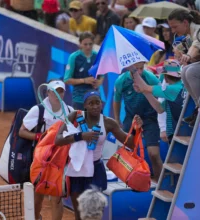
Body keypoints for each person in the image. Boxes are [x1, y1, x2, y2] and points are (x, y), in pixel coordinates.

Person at [55, 91, 143, 220]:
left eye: (97, 102)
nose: (95, 106)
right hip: (76, 170)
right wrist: (81, 136)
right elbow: (58, 140)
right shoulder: (75, 116)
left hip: (95, 171)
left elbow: (130, 143)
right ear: (85, 105)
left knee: (93, 213)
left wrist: (136, 129)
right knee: (79, 213)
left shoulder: (108, 122)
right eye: (91, 103)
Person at [19, 79, 74, 220]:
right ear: (48, 92)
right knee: (38, 197)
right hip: (40, 160)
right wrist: (40, 137)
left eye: (60, 91)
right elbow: (22, 131)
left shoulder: (69, 111)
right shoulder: (38, 110)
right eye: (54, 91)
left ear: (64, 93)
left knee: (56, 199)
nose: (57, 94)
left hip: (60, 161)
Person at [113, 61, 163, 182]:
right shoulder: (121, 81)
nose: (139, 72)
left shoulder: (150, 78)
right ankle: (125, 178)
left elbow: (162, 96)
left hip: (150, 118)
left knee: (154, 154)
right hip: (131, 118)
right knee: (124, 151)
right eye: (137, 69)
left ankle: (159, 181)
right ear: (130, 67)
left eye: (142, 68)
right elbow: (117, 100)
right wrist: (116, 119)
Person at [133, 60, 185, 143]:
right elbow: (160, 109)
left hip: (180, 131)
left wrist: (133, 70)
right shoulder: (179, 87)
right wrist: (143, 91)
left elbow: (144, 87)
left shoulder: (172, 89)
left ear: (165, 77)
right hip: (179, 131)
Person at [64, 32, 104, 110]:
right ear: (80, 44)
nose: (88, 47)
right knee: (80, 122)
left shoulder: (97, 56)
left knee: (96, 122)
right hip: (79, 99)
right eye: (85, 44)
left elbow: (102, 75)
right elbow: (67, 79)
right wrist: (84, 80)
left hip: (95, 99)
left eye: (90, 44)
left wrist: (99, 82)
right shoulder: (74, 57)